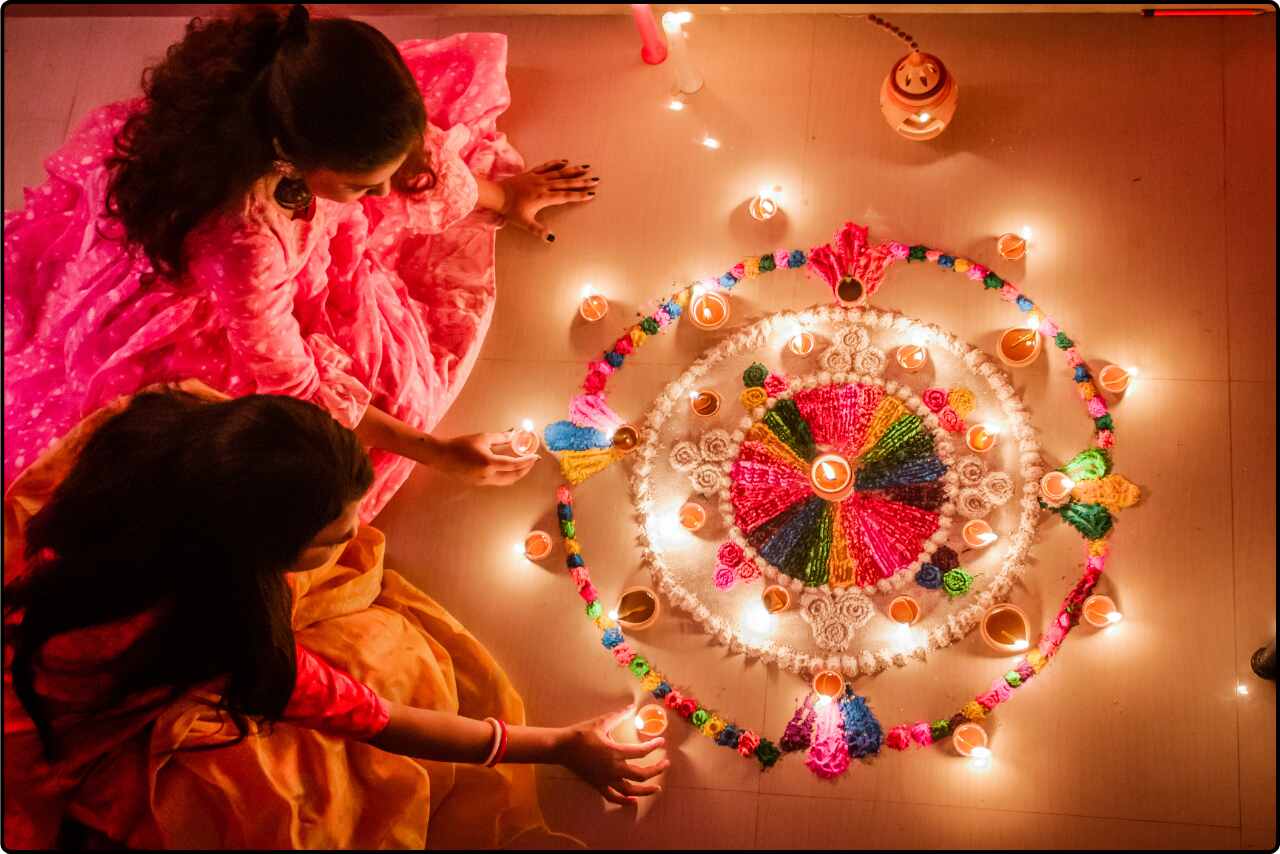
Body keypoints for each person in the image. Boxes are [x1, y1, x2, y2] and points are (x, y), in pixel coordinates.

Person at [2, 382, 667, 850]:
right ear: (245, 557)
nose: (354, 539)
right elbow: (381, 719)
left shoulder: (168, 425)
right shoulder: (219, 633)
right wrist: (558, 745)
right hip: (34, 737)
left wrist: (435, 450)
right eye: (328, 539)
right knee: (387, 658)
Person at [3, 4, 599, 521]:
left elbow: (421, 168)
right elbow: (297, 383)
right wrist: (438, 451)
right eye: (365, 186)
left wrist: (505, 197)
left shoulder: (307, 92)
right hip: (212, 308)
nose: (387, 196)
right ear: (292, 160)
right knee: (380, 409)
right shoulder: (243, 244)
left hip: (277, 224)